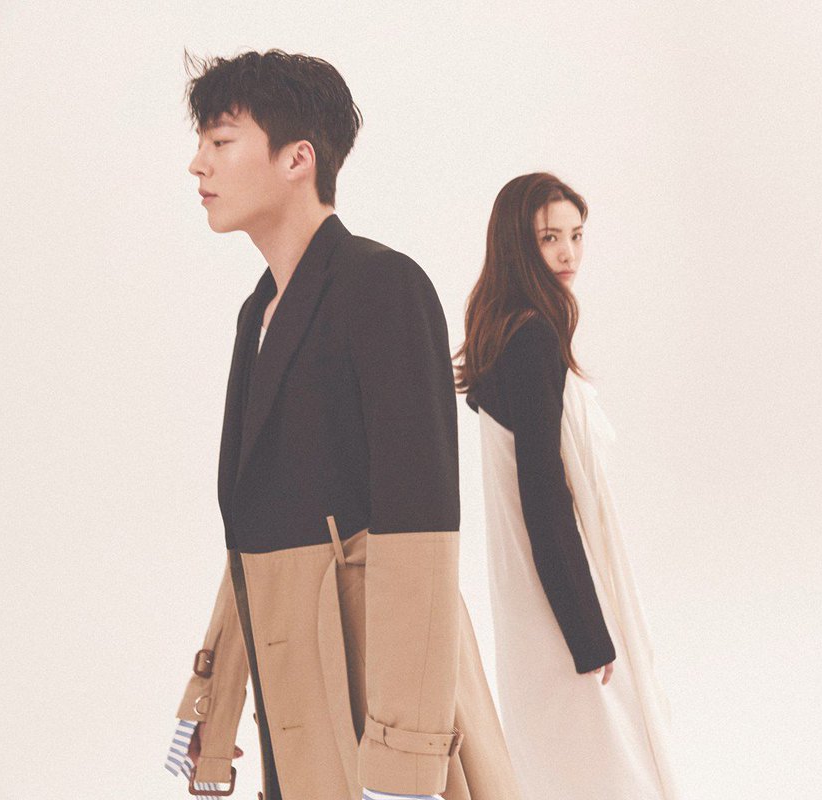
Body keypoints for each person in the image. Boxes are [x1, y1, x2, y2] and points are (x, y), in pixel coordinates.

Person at [162, 49, 519, 800]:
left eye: (220, 141)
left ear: (298, 159)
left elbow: (421, 533)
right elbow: (254, 536)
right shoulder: (257, 315)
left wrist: (404, 762)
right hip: (297, 712)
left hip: (382, 713)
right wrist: (210, 711)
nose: (198, 164)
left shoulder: (383, 285)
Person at [456, 172, 680, 798]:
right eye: (549, 238)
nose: (567, 254)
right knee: (609, 759)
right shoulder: (531, 338)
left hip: (528, 582)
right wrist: (586, 631)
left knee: (561, 757)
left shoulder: (507, 330)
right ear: (517, 245)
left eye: (576, 236)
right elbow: (542, 492)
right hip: (552, 588)